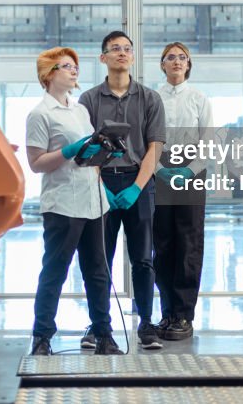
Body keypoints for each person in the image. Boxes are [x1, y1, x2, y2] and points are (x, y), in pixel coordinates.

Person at [26, 46, 123, 356]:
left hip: (93, 202)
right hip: (63, 204)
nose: (74, 71)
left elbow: (89, 153)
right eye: (67, 66)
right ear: (49, 74)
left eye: (74, 66)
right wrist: (68, 151)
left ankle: (104, 336)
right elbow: (36, 163)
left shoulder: (80, 110)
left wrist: (107, 151)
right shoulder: (40, 114)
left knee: (97, 271)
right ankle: (42, 338)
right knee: (55, 270)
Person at [78, 31, 166, 350]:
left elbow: (154, 148)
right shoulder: (88, 100)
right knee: (99, 258)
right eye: (115, 49)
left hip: (139, 183)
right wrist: (101, 185)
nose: (122, 53)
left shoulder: (149, 98)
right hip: (99, 183)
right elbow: (87, 149)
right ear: (103, 57)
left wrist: (136, 188)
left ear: (132, 56)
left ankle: (146, 323)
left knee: (142, 258)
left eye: (127, 49)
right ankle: (99, 325)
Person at [153, 41, 213, 341]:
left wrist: (190, 170)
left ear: (188, 65)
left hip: (192, 170)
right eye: (170, 57)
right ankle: (166, 313)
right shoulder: (152, 98)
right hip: (160, 169)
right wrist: (159, 170)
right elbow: (144, 139)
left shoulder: (200, 99)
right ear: (162, 64)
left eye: (182, 58)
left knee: (189, 243)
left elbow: (208, 142)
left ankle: (184, 316)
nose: (177, 61)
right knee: (162, 244)